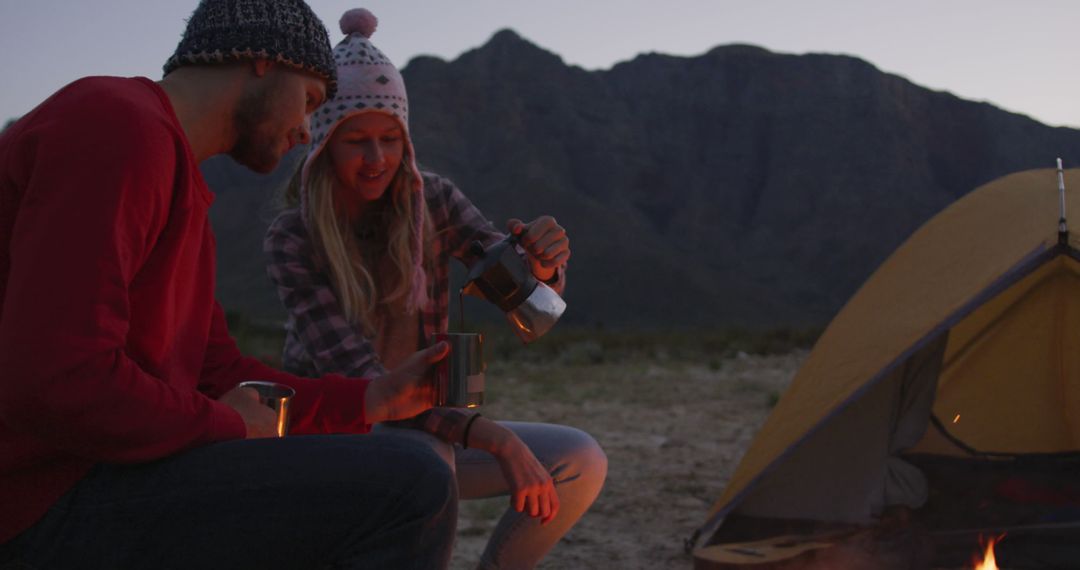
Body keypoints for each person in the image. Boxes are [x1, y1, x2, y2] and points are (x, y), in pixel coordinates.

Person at [0, 1, 459, 568]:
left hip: (98, 473)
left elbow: (216, 371)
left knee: (398, 461)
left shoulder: (179, 185)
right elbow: (59, 377)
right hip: (39, 501)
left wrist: (371, 398)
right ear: (265, 60)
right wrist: (226, 422)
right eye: (311, 101)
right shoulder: (116, 124)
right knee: (410, 485)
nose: (305, 130)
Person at [264, 9, 607, 569]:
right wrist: (488, 435)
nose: (377, 160)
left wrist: (539, 266)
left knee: (577, 460)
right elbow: (363, 383)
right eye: (357, 142)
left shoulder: (434, 202)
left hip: (433, 423)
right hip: (340, 431)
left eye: (390, 140)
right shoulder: (293, 238)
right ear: (324, 146)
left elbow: (506, 274)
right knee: (430, 467)